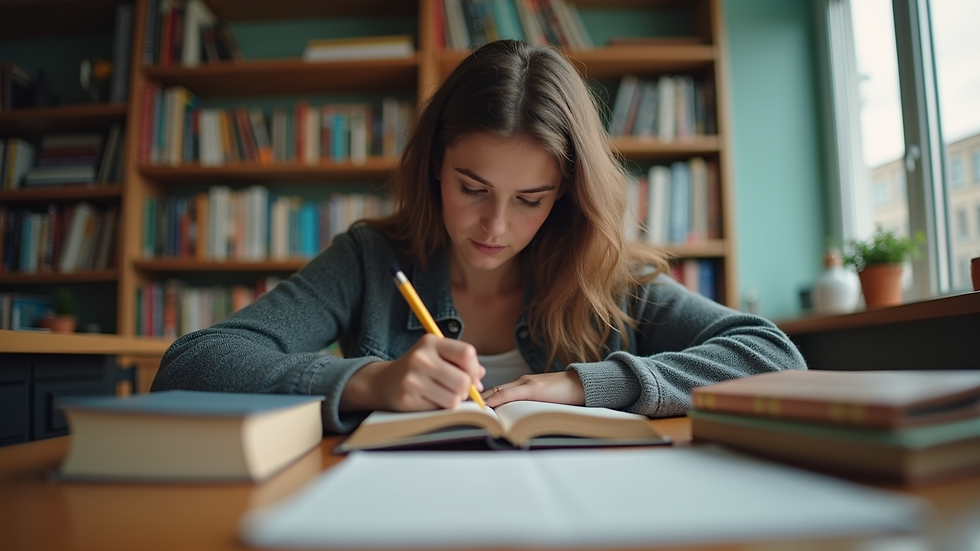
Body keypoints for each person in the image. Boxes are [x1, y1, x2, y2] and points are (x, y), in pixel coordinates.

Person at [153, 40, 806, 433]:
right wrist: (366, 383)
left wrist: (585, 385)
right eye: (472, 187)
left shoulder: (606, 276)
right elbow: (190, 365)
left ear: (566, 193)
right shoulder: (369, 259)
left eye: (530, 200)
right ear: (436, 162)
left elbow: (774, 357)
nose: (496, 226)